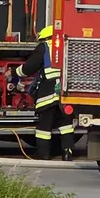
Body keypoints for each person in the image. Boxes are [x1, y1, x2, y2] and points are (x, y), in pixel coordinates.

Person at [22, 25, 74, 160]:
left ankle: (43, 154)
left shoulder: (44, 47)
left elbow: (30, 67)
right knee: (66, 126)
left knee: (44, 127)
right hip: (66, 95)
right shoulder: (67, 45)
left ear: (45, 38)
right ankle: (67, 154)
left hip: (48, 95)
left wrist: (16, 73)